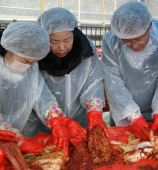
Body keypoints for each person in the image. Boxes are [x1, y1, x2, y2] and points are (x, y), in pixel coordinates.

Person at [0, 22, 87, 158]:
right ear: (10, 48)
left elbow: (41, 96)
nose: (29, 66)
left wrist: (57, 120)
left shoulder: (31, 69)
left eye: (33, 62)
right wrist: (11, 134)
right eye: (26, 61)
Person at [101, 1, 158, 143]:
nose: (133, 46)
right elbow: (113, 83)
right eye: (126, 41)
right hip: (124, 113)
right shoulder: (111, 41)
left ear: (149, 26)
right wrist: (132, 115)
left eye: (139, 40)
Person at [37, 7, 108, 137]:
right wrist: (57, 120)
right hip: (44, 123)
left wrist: (94, 113)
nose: (62, 47)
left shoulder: (85, 48)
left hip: (80, 121)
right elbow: (38, 92)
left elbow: (93, 81)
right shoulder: (36, 53)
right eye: (54, 41)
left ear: (74, 34)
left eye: (67, 40)